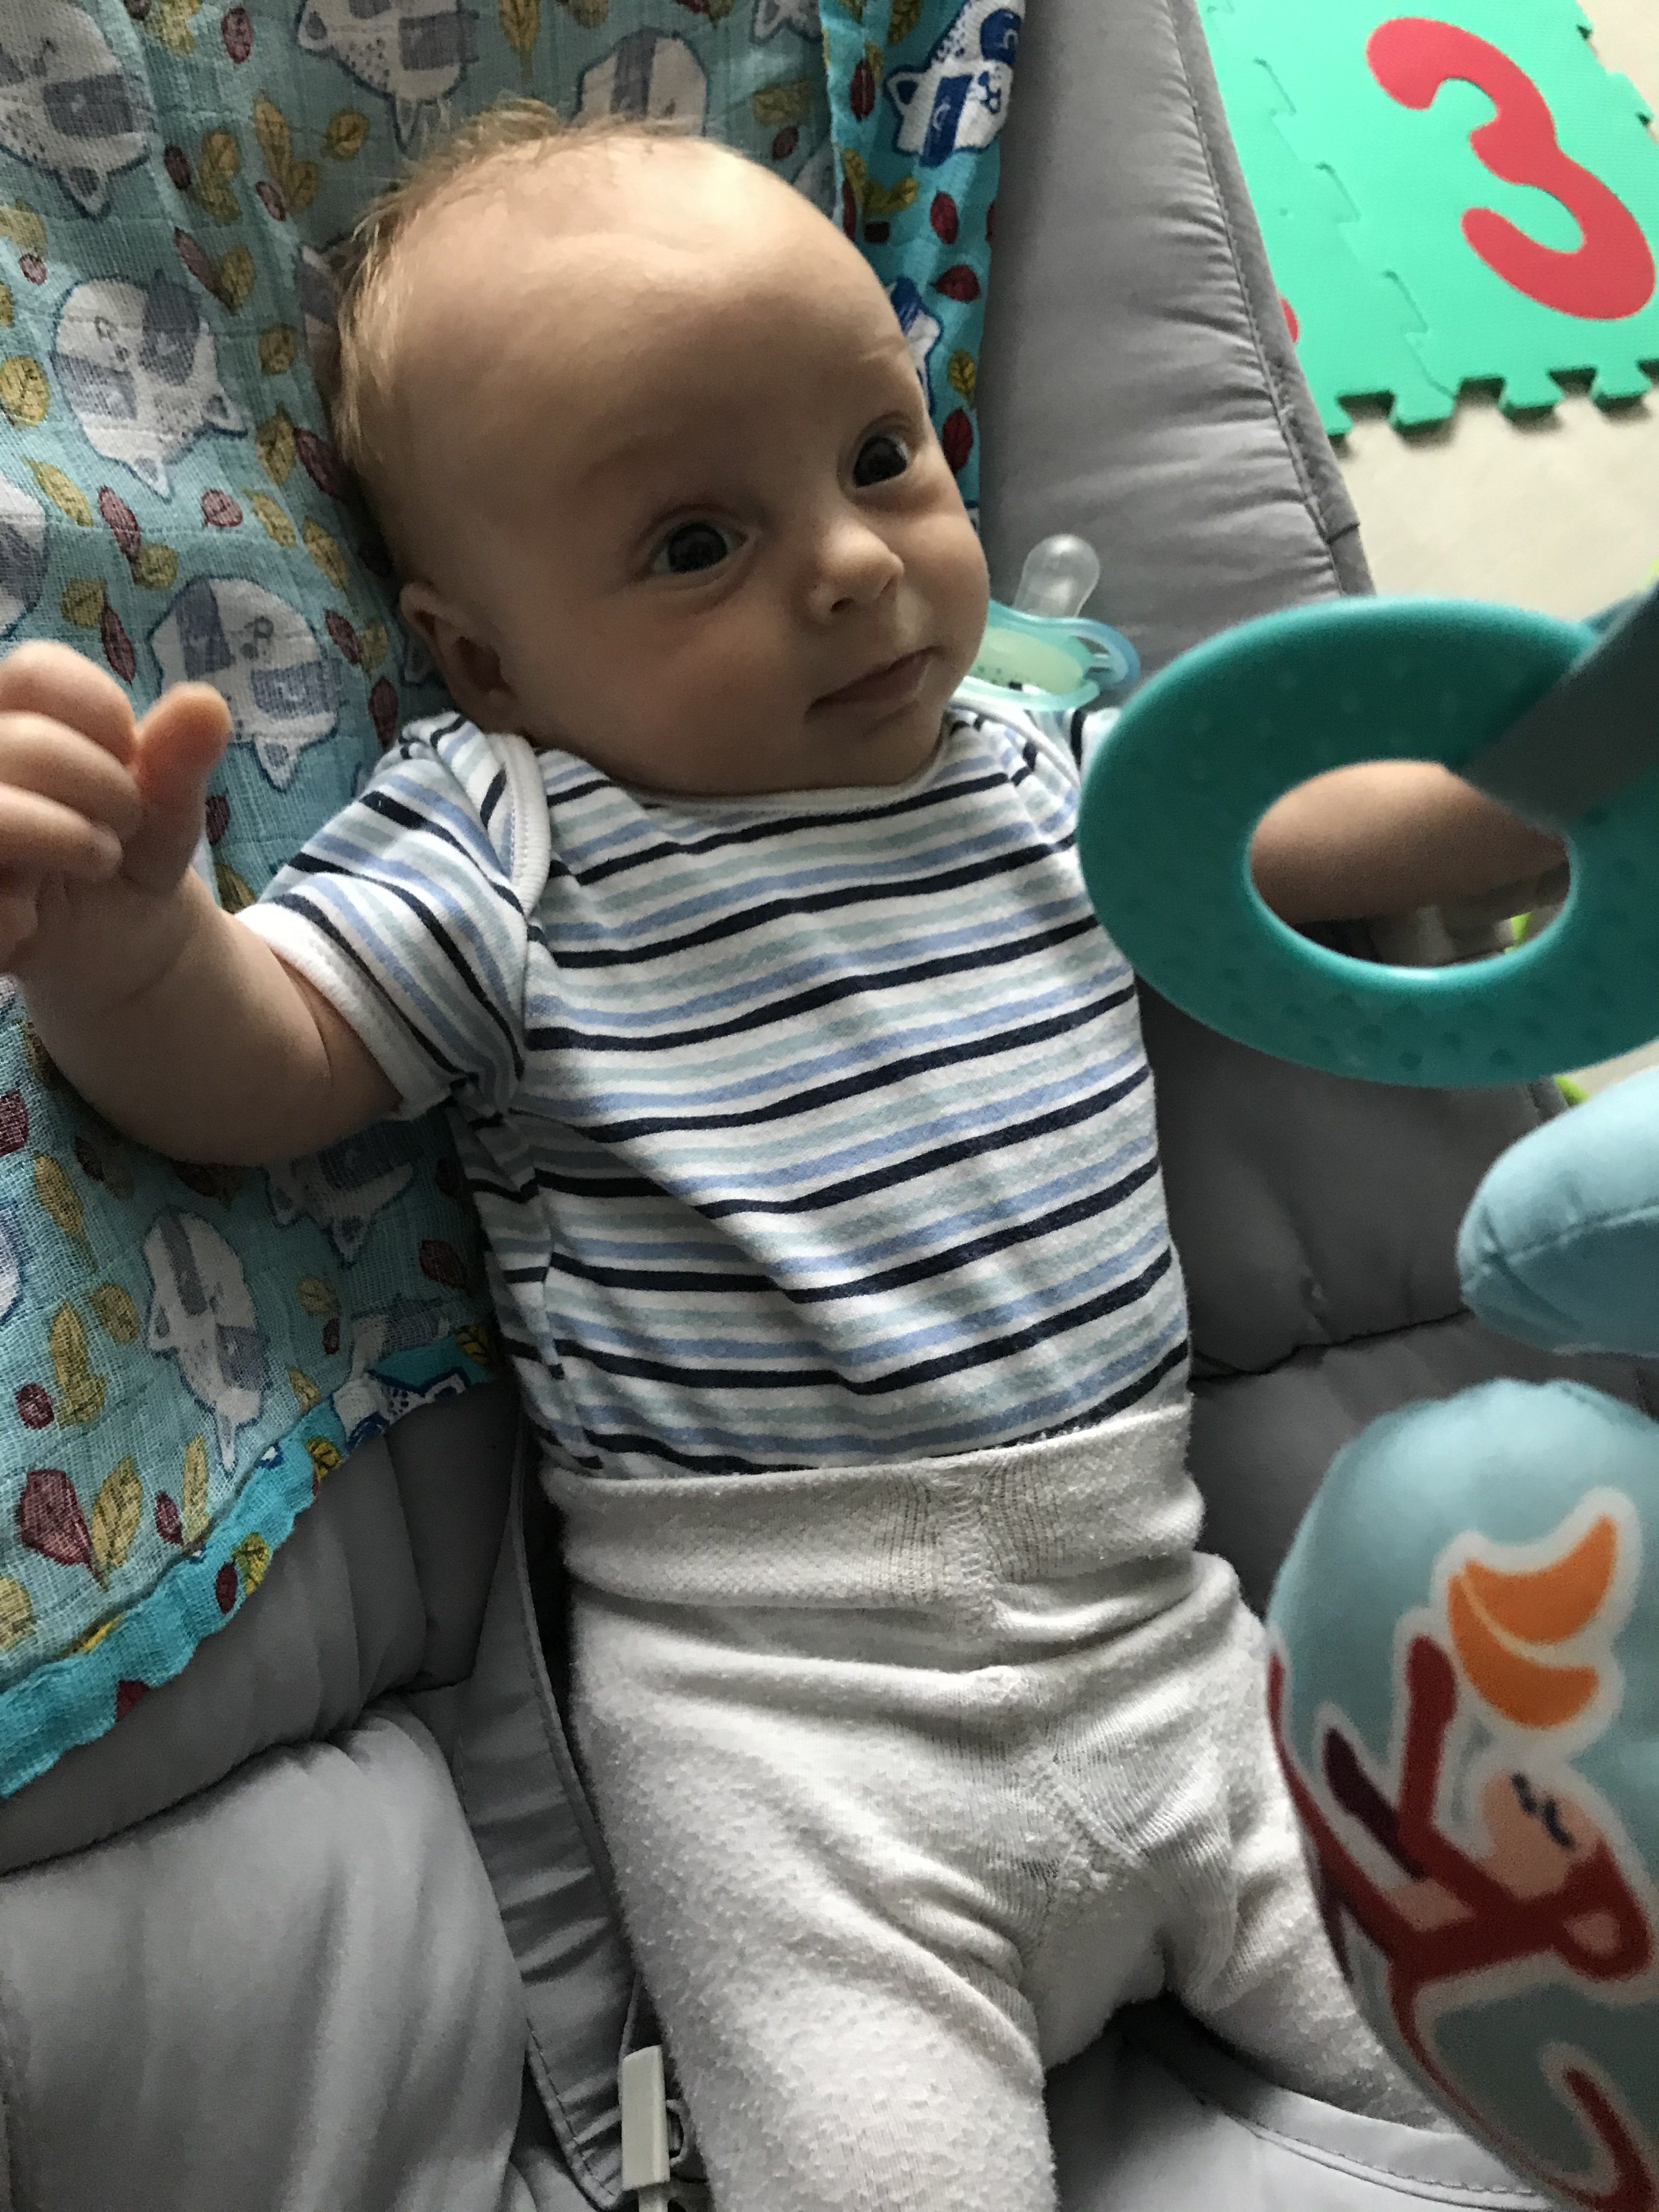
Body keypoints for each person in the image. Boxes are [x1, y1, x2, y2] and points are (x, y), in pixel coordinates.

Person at [0, 105, 1564, 2212]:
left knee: (1536, 2062)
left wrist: (1563, 779)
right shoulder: (513, 835)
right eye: (692, 546)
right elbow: (266, 1062)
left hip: (1167, 1635)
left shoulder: (1035, 761)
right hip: (782, 1734)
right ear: (485, 659)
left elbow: (1296, 839)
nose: (850, 563)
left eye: (881, 457)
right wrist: (129, 947)